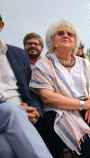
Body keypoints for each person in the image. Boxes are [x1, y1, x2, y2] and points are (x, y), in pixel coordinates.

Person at [30, 20, 90, 158]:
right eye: (60, 33)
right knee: (88, 141)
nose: (66, 36)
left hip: (89, 108)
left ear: (75, 41)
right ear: (52, 41)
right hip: (60, 112)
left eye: (70, 34)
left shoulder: (84, 63)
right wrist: (83, 104)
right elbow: (47, 97)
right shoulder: (43, 64)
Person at [0, 14, 52, 158]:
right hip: (11, 110)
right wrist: (18, 110)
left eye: (36, 43)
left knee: (6, 150)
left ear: (1, 25)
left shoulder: (18, 54)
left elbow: (32, 91)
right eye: (30, 43)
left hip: (21, 114)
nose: (33, 46)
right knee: (11, 110)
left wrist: (35, 110)